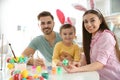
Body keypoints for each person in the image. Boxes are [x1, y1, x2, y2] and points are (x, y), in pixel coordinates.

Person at [63, 9, 120, 80]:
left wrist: (76, 70)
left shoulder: (106, 36)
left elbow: (99, 64)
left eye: (92, 20)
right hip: (97, 77)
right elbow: (87, 59)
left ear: (100, 20)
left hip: (112, 77)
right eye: (86, 22)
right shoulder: (91, 37)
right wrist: (78, 65)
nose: (88, 24)